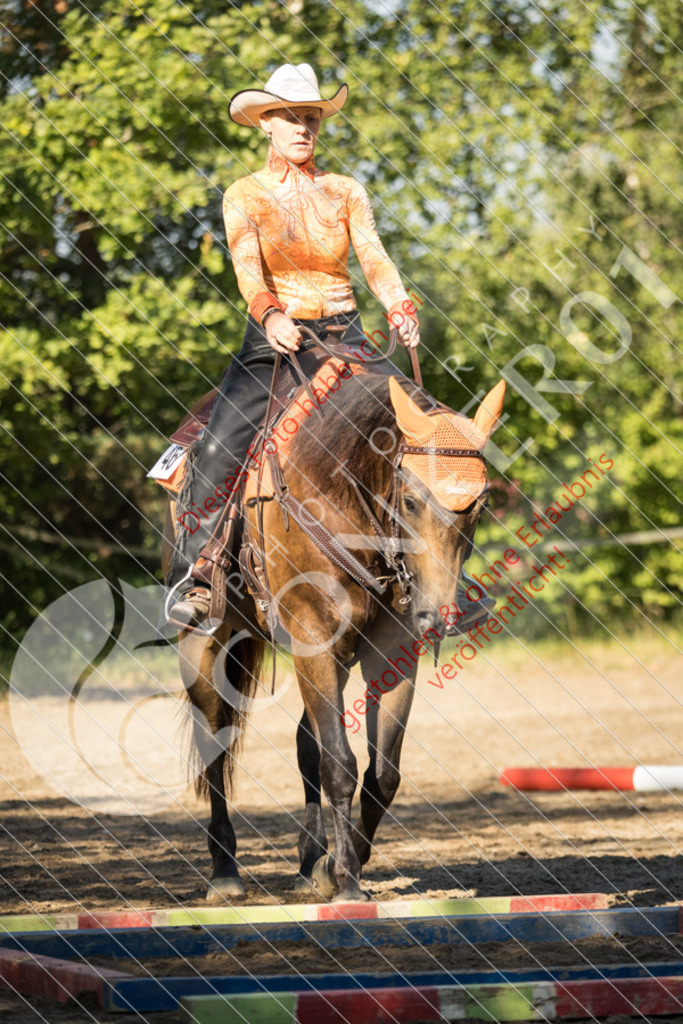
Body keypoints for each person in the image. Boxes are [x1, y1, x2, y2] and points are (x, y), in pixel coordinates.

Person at [166, 63, 420, 626]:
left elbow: (374, 257)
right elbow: (247, 269)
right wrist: (271, 314)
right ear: (265, 123)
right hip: (275, 339)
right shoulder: (245, 195)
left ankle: (436, 580)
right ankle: (200, 574)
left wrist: (399, 304)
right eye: (290, 117)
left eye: (312, 117)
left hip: (347, 338)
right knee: (222, 441)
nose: (303, 127)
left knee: (422, 428)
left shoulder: (346, 191)